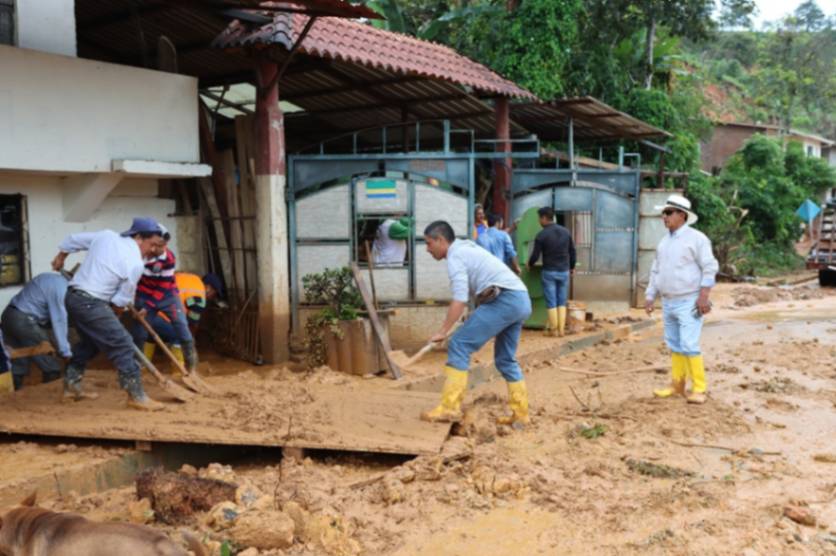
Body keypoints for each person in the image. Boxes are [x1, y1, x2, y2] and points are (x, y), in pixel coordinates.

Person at [421, 220, 532, 426]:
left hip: (505, 299)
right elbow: (478, 287)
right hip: (520, 298)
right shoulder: (465, 248)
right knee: (505, 360)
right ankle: (521, 414)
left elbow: (460, 299)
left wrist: (443, 331)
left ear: (441, 240)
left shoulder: (455, 256)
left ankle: (449, 407)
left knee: (459, 344)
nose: (427, 249)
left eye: (428, 243)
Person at [51, 217, 166, 410]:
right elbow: (121, 300)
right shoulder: (135, 263)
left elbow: (72, 239)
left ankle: (71, 386)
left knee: (91, 343)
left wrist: (61, 256)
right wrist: (116, 313)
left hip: (73, 298)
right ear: (138, 237)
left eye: (157, 247)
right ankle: (136, 396)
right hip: (90, 302)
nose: (153, 250)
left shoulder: (106, 236)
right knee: (123, 343)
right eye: (152, 245)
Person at [645, 194, 718, 405]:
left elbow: (710, 267)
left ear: (681, 215)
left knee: (689, 344)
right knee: (675, 344)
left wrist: (703, 297)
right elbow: (656, 270)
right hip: (668, 301)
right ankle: (677, 385)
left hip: (689, 300)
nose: (664, 217)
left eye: (668, 213)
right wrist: (650, 295)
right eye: (663, 213)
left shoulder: (697, 239)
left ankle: (699, 389)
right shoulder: (663, 242)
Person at [131, 225, 198, 375]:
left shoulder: (169, 258)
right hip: (144, 294)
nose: (158, 249)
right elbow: (130, 279)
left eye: (162, 245)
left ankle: (190, 369)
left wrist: (147, 308)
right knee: (140, 332)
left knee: (182, 327)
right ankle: (138, 366)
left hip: (167, 296)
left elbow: (163, 286)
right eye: (155, 245)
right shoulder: (135, 255)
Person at [1, 272, 71, 390]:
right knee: (51, 365)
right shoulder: (62, 288)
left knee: (17, 363)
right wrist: (66, 352)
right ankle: (46, 399)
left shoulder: (50, 278)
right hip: (24, 320)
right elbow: (59, 321)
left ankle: (13, 398)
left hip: (9, 315)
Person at [527, 207, 576, 337]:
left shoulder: (542, 235)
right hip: (564, 271)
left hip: (549, 272)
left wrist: (529, 264)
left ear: (544, 218)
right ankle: (561, 330)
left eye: (539, 218)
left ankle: (553, 330)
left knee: (551, 301)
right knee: (561, 300)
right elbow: (572, 251)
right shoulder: (566, 232)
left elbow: (535, 255)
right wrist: (571, 267)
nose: (538, 221)